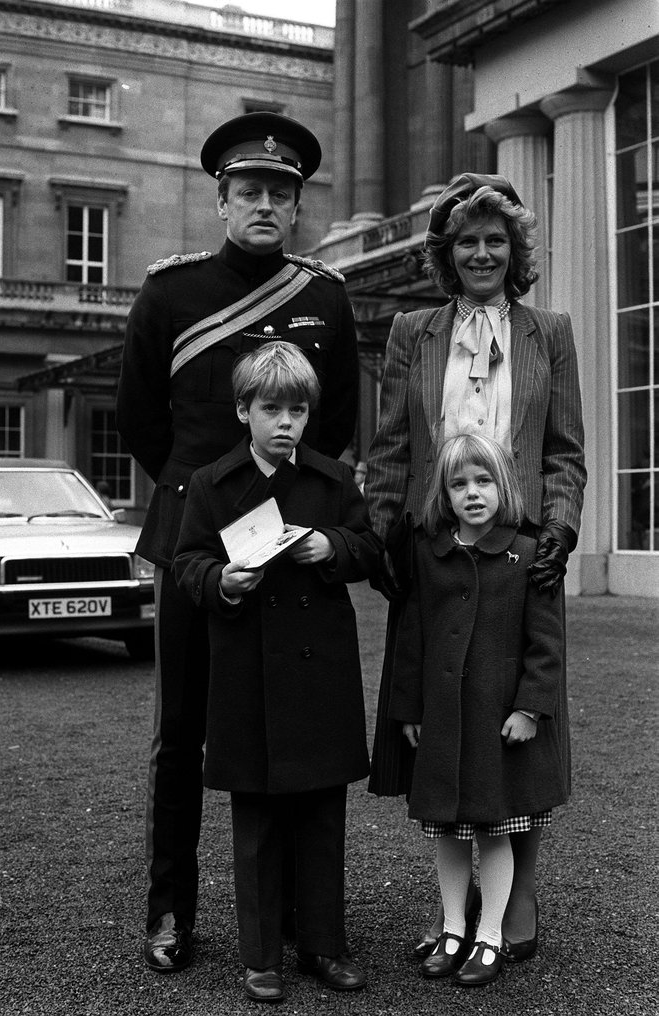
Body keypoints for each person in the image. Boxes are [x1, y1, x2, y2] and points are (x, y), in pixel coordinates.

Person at [116, 111, 360, 973]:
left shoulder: (325, 297)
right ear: (221, 200)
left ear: (297, 207)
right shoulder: (169, 293)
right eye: (249, 190)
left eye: (281, 193)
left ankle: (296, 918)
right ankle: (170, 912)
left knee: (289, 725)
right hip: (196, 539)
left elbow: (337, 428)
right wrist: (202, 498)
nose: (265, 204)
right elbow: (140, 417)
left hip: (291, 546)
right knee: (182, 732)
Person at [365, 172, 586, 961]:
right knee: (444, 714)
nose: (483, 252)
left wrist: (559, 528)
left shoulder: (548, 331)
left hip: (520, 551)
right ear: (446, 253)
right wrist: (384, 532)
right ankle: (458, 911)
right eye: (467, 241)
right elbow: (391, 444)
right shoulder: (411, 332)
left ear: (515, 251)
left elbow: (564, 450)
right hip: (436, 549)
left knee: (516, 719)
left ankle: (514, 895)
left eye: (496, 240)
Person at [172, 342, 380, 1003]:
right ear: (243, 411)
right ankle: (261, 957)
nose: (286, 422)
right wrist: (222, 582)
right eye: (272, 409)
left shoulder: (331, 480)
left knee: (322, 818)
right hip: (247, 676)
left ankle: (324, 945)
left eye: (298, 409)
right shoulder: (210, 483)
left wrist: (333, 547)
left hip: (320, 675)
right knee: (257, 822)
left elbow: (369, 549)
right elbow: (187, 562)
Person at [388, 433, 567, 987]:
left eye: (483, 481)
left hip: (497, 723)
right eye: (459, 483)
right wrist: (409, 709)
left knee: (493, 831)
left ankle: (489, 937)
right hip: (443, 720)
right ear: (443, 492)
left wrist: (530, 710)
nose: (472, 493)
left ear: (503, 486)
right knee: (446, 831)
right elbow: (413, 638)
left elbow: (547, 644)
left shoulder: (529, 555)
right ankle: (451, 929)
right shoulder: (431, 553)